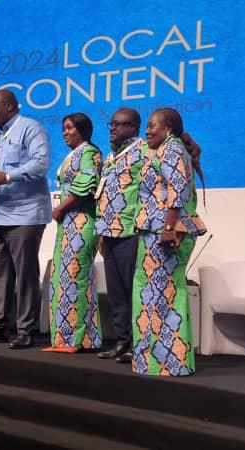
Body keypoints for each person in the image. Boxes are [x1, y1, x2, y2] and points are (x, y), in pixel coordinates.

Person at [0, 89, 51, 349]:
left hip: (26, 214)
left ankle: (26, 329)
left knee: (25, 274)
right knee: (0, 275)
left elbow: (41, 164)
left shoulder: (30, 128)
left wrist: (8, 176)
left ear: (11, 106)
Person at [132, 108, 207, 376]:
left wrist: (168, 228)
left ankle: (169, 363)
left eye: (153, 125)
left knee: (164, 297)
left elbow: (177, 189)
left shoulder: (172, 149)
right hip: (155, 231)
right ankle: (155, 362)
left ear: (168, 129)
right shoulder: (164, 149)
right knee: (155, 295)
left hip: (166, 233)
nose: (147, 130)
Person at [44, 113, 102, 353]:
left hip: (81, 221)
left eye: (69, 128)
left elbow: (87, 185)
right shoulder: (75, 153)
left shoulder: (89, 153)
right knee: (66, 279)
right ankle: (85, 339)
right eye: (63, 128)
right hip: (69, 223)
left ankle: (72, 340)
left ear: (82, 129)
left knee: (74, 279)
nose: (65, 132)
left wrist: (60, 207)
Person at [94, 108, 147, 363]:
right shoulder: (111, 156)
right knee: (116, 292)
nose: (112, 128)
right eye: (111, 124)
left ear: (133, 126)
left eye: (118, 124)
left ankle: (139, 344)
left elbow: (147, 192)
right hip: (109, 231)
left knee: (131, 290)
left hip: (130, 231)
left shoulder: (143, 152)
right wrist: (101, 232)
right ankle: (121, 340)